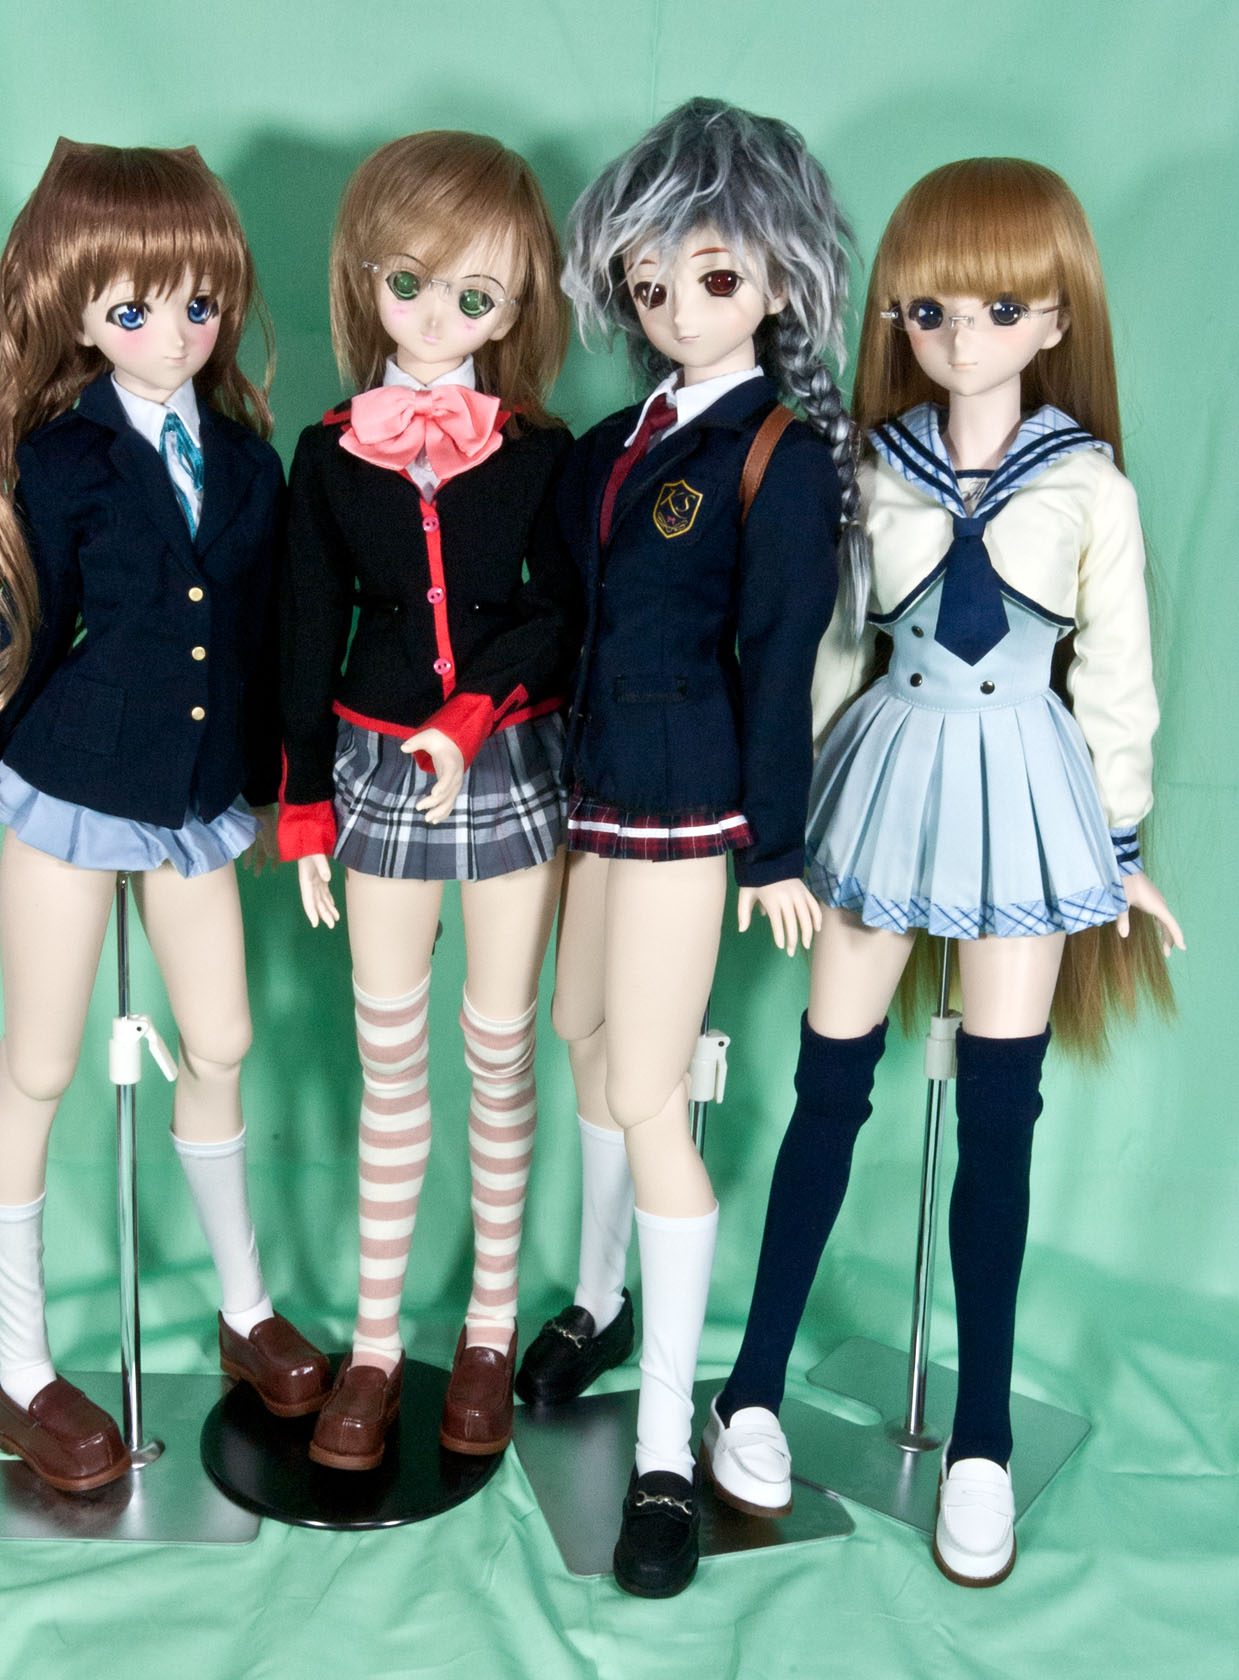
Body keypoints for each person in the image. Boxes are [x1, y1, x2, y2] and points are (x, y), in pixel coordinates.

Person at [707, 157, 1183, 1587]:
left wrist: (1119, 846)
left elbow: (1119, 681)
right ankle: (752, 1386)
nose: (962, 338)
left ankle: (982, 1436)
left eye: (997, 309)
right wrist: (778, 824)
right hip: (887, 777)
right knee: (830, 1086)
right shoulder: (870, 466)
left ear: (1056, 319)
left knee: (1001, 1112)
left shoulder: (1088, 486)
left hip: (1026, 786)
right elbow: (830, 650)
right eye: (929, 311)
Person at [0, 139, 329, 1493]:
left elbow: (261, 646)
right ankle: (22, 1370)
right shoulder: (60, 456)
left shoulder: (250, 464)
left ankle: (244, 1308)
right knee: (39, 1065)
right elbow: (24, 634)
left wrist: (282, 798)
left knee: (224, 1037)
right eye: (135, 309)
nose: (175, 333)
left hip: (196, 798)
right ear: (78, 312)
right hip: (71, 785)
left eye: (198, 305)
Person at [515, 98, 861, 1596]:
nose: (676, 309)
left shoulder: (777, 455)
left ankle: (664, 1449)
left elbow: (780, 665)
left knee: (652, 1095)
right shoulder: (611, 443)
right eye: (650, 284)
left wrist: (775, 850)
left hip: (687, 803)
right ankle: (600, 1300)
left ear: (778, 278)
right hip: (588, 787)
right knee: (582, 1041)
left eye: (713, 278)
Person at [278, 129, 580, 1470]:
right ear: (366, 279)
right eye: (411, 283)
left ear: (516, 311)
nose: (440, 315)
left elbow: (558, 618)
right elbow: (304, 631)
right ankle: (375, 1340)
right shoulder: (328, 453)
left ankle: (490, 1327)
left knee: (498, 1047)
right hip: (376, 765)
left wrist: (472, 716)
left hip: (508, 760)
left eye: (476, 295)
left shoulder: (542, 453)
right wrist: (302, 809)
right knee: (388, 1053)